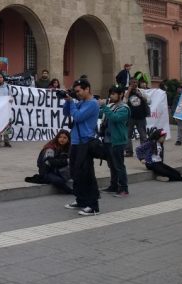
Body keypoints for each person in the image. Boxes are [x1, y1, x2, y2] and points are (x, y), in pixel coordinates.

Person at [62, 78, 101, 216]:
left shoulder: (92, 104)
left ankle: (93, 205)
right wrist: (68, 101)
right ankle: (81, 200)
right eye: (75, 91)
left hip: (86, 142)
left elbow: (77, 117)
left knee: (87, 173)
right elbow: (66, 113)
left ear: (87, 89)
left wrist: (72, 103)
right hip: (76, 142)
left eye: (78, 91)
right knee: (75, 173)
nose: (76, 94)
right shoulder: (81, 102)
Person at [100, 85, 130, 197]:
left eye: (113, 94)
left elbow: (115, 118)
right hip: (108, 140)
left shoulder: (124, 108)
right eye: (110, 94)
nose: (111, 96)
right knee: (112, 165)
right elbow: (102, 115)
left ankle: (124, 189)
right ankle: (113, 186)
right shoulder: (111, 106)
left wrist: (105, 107)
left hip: (118, 141)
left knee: (119, 165)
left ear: (121, 94)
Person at [24, 129, 72, 194]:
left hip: (56, 169)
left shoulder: (68, 148)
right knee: (59, 181)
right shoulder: (50, 147)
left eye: (64, 138)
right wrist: (66, 161)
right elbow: (50, 161)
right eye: (60, 137)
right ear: (57, 138)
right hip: (46, 170)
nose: (62, 139)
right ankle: (70, 192)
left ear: (68, 139)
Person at [124, 79, 149, 157]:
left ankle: (143, 151)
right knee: (128, 135)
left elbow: (149, 101)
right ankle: (129, 151)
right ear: (129, 84)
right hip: (130, 117)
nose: (134, 84)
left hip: (141, 117)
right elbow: (124, 102)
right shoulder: (126, 92)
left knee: (143, 135)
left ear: (137, 83)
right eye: (132, 83)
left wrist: (141, 95)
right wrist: (129, 91)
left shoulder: (142, 91)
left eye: (135, 82)